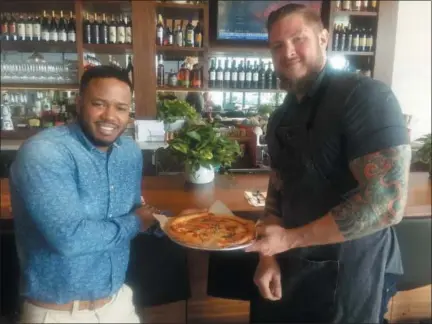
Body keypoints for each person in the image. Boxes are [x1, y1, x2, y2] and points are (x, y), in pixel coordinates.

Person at [244, 4, 411, 323]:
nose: (288, 51)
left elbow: (387, 203)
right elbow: (278, 188)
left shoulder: (364, 96)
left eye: (298, 38)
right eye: (277, 45)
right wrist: (269, 255)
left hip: (354, 273)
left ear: (324, 38)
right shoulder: (282, 116)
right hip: (294, 267)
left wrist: (288, 240)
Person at [9, 65, 160, 323]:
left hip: (118, 303)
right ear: (79, 103)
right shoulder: (44, 153)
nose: (110, 116)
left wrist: (168, 222)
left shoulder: (129, 152)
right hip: (58, 314)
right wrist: (138, 221)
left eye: (121, 108)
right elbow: (70, 239)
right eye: (99, 104)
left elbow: (133, 211)